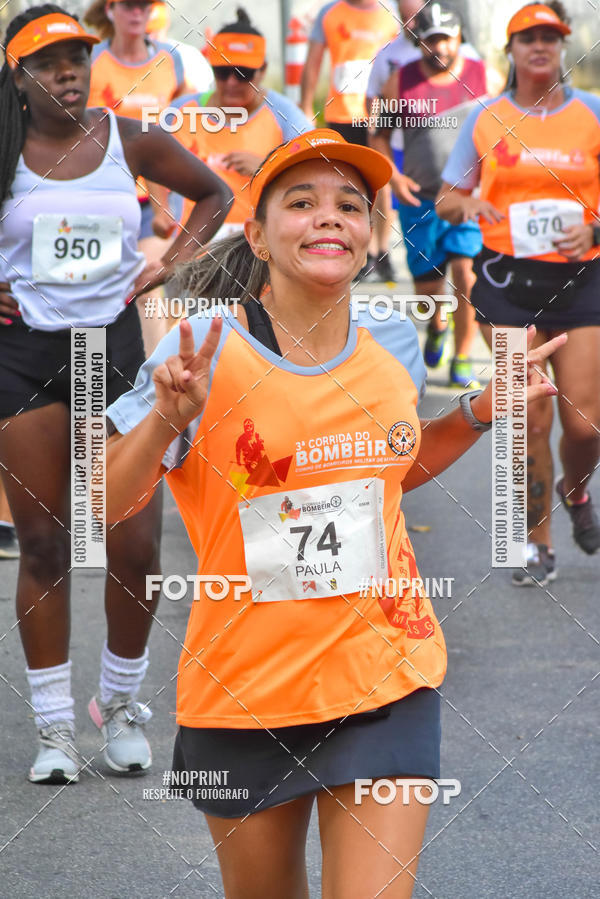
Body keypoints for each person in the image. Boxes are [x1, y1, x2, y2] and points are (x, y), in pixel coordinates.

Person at [106, 127, 564, 897]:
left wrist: (479, 411)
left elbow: (384, 468)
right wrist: (164, 420)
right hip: (242, 691)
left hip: (385, 675)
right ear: (256, 231)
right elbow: (105, 502)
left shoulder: (389, 342)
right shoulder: (202, 348)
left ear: (369, 234)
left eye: (350, 204)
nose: (329, 217)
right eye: (301, 201)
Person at [0, 4, 231, 784]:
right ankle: (56, 727)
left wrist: (170, 259)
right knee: (43, 545)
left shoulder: (130, 139)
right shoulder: (3, 148)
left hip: (116, 349)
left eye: (75, 56)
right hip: (24, 355)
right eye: (46, 61)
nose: (65, 70)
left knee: (132, 542)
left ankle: (123, 706)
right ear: (18, 76)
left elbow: (214, 196)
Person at [437, 1, 600, 583]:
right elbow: (446, 196)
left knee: (584, 425)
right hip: (507, 281)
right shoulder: (485, 118)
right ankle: (536, 541)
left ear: (563, 48)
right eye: (528, 38)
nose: (540, 47)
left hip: (582, 278)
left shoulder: (594, 114)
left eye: (550, 38)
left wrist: (595, 227)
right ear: (510, 50)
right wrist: (470, 201)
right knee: (527, 415)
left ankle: (575, 491)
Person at [371, 3, 492, 389]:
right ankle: (437, 326)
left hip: (465, 197)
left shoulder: (482, 76)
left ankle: (461, 358)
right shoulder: (400, 81)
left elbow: (506, 127)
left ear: (458, 39)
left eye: (446, 39)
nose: (439, 48)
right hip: (419, 199)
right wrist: (394, 177)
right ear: (419, 42)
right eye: (431, 40)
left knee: (465, 271)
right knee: (429, 286)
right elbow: (378, 136)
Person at [84, 0, 187, 351]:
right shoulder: (91, 62)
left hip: (152, 202)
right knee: (93, 292)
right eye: (129, 5)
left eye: (144, 6)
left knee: (148, 288)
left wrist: (164, 206)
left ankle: (152, 389)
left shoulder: (170, 60)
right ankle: (89, 394)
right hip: (99, 199)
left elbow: (174, 129)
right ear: (111, 9)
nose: (137, 13)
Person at [170, 8, 311, 242]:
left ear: (263, 70)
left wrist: (266, 168)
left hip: (258, 253)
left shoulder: (285, 115)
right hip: (191, 254)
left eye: (243, 73)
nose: (232, 82)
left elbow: (313, 175)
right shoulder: (178, 112)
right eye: (222, 72)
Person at [300, 0, 399, 282]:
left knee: (382, 183)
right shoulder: (330, 13)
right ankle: (360, 253)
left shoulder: (390, 14)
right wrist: (307, 107)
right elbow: (313, 62)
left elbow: (398, 66)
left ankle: (383, 251)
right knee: (349, 185)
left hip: (377, 111)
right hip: (341, 112)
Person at [145, 1, 214, 95]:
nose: (150, 38)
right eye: (146, 33)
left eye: (156, 31)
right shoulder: (125, 56)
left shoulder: (189, 55)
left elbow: (199, 98)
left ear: (166, 24)